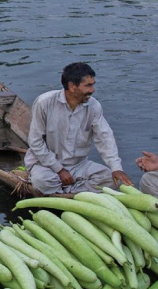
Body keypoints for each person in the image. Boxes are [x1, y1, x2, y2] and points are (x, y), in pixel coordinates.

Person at [25, 62, 132, 196]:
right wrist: (59, 170)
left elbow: (105, 138)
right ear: (72, 86)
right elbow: (35, 143)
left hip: (78, 165)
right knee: (42, 181)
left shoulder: (94, 106)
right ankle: (74, 191)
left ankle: (68, 191)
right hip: (46, 165)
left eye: (93, 84)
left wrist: (116, 168)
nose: (93, 90)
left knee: (113, 180)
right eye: (88, 85)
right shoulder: (44, 103)